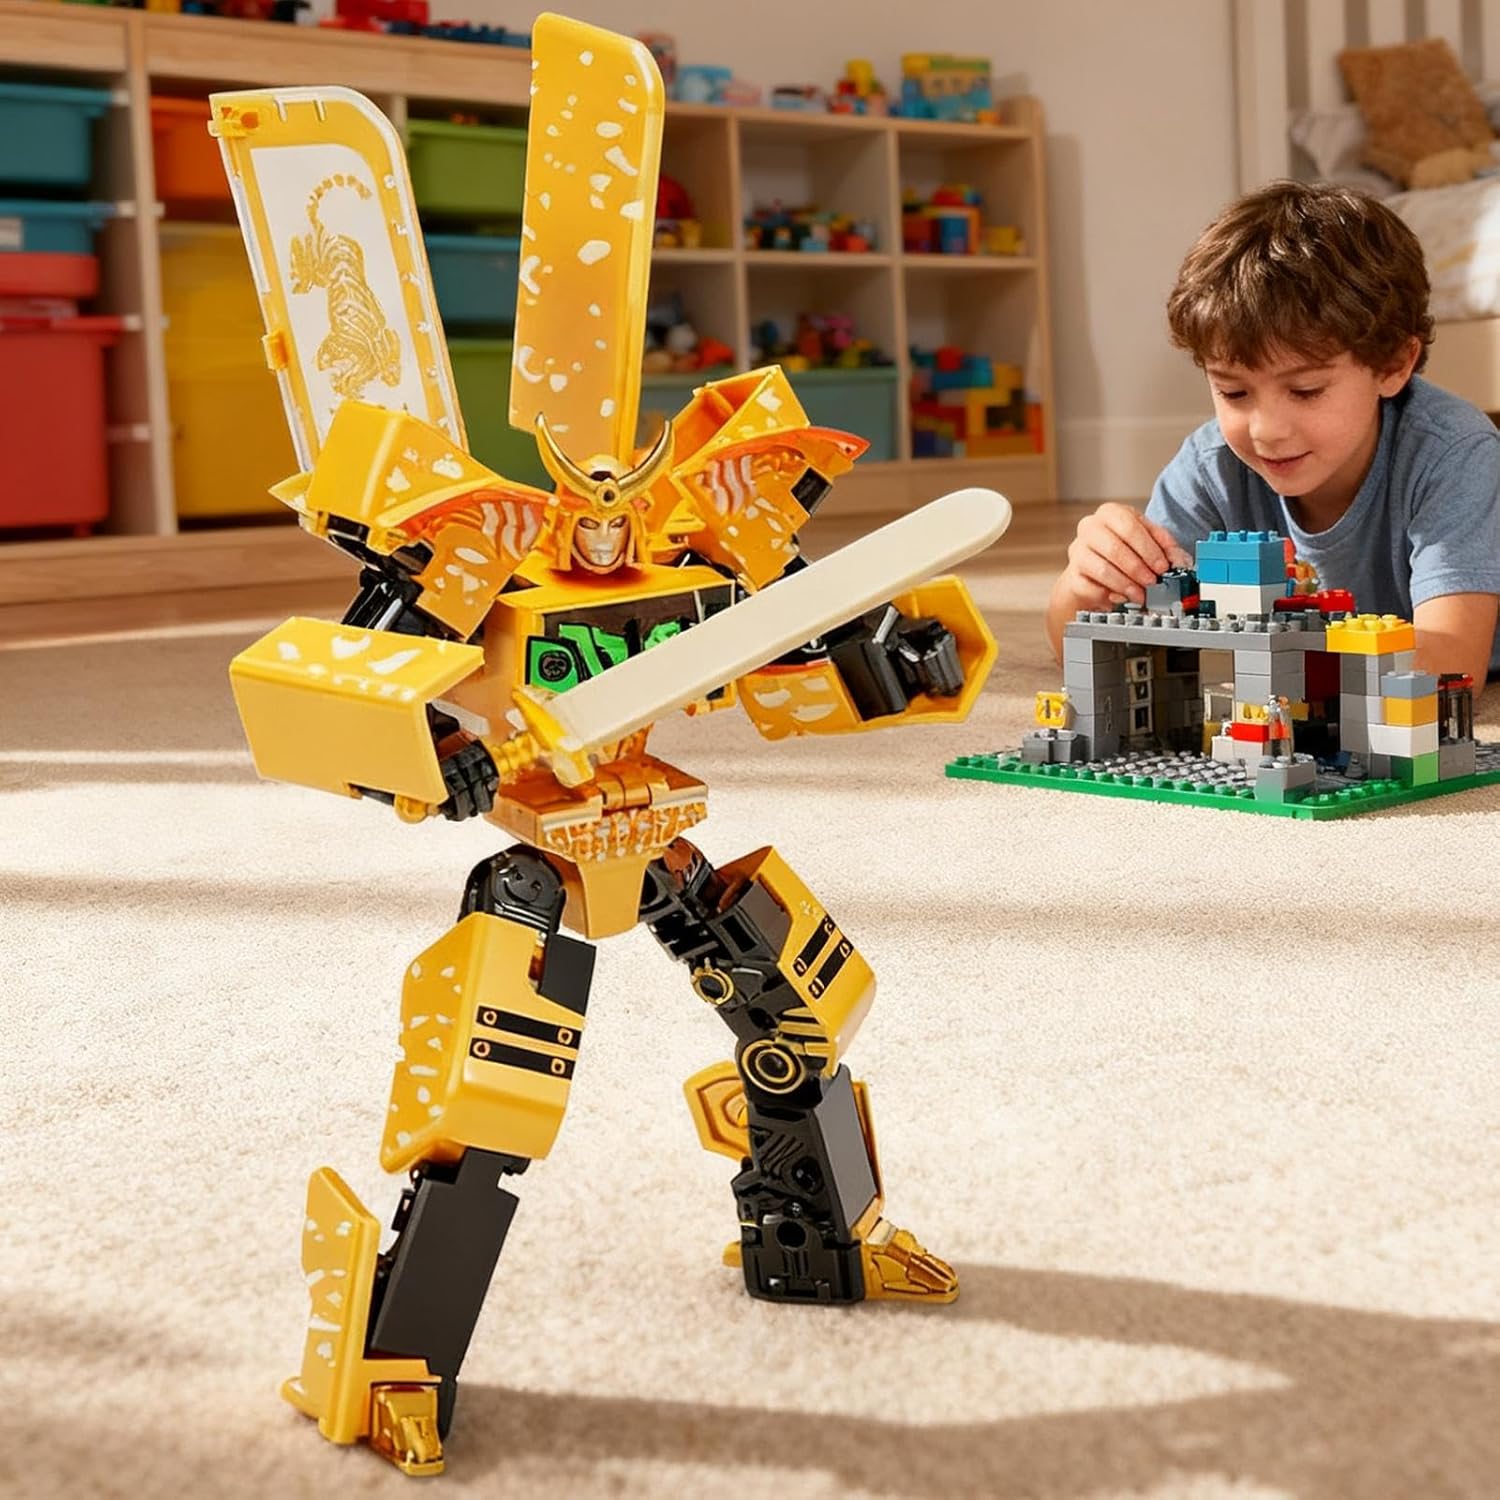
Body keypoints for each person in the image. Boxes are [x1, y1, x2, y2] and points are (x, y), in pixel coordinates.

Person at [1045, 181, 1500, 687]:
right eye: (1234, 392)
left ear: (1394, 364)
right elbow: (1088, 650)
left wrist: (1267, 660)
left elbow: (1453, 665)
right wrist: (1084, 584)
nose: (1266, 430)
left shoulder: (1453, 454)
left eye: (1305, 391)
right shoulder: (1211, 467)